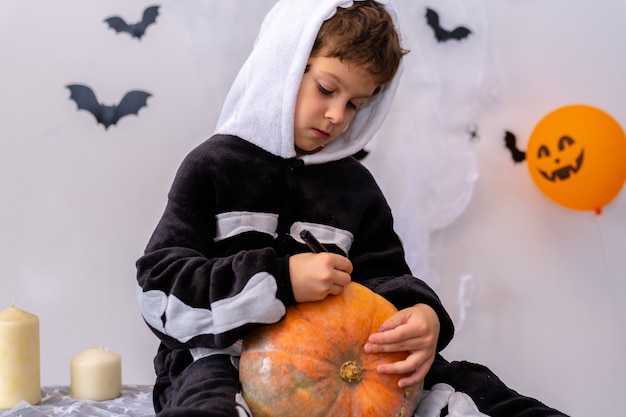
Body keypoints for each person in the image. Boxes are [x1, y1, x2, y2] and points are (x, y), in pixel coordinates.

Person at [136, 1, 568, 416]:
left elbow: (386, 278)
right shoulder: (212, 167)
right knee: (210, 400)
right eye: (327, 89)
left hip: (348, 366)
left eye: (356, 104)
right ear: (284, 63)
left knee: (470, 392)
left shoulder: (355, 189)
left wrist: (422, 318)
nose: (337, 117)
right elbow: (159, 295)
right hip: (216, 357)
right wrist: (281, 281)